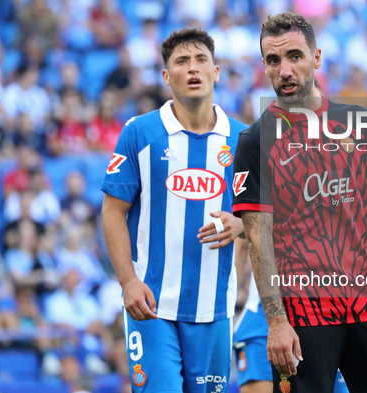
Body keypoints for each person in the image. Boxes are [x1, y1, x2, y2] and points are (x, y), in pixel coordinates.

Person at [232, 12, 367, 393]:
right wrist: (277, 322)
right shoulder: (255, 142)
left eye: (294, 57)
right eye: (273, 60)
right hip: (305, 310)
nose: (284, 70)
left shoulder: (359, 123)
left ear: (316, 57)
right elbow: (258, 237)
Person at [101, 28, 246, 393]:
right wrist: (128, 282)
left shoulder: (245, 140)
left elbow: (269, 216)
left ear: (216, 72)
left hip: (214, 308)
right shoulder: (140, 132)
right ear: (167, 77)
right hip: (151, 304)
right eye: (182, 61)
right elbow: (113, 211)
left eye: (201, 60)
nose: (193, 68)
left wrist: (241, 225)